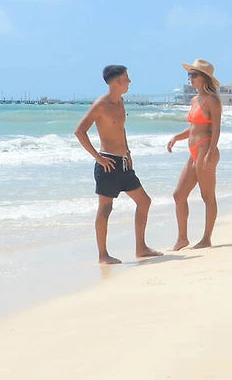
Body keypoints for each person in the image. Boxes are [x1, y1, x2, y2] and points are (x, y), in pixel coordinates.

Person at [74, 64, 160, 263]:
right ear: (117, 81)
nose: (129, 81)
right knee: (105, 209)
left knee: (144, 201)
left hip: (123, 163)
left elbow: (121, 129)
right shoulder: (101, 105)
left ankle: (141, 248)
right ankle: (103, 255)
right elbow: (80, 131)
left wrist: (128, 151)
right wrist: (98, 158)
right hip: (108, 164)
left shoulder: (120, 102)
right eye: (126, 78)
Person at [168, 58, 221, 250]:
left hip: (206, 150)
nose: (190, 78)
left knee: (207, 196)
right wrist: (176, 137)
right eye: (189, 74)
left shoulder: (212, 100)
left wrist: (210, 153)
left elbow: (216, 130)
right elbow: (193, 128)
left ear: (204, 78)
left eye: (193, 75)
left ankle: (206, 239)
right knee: (179, 194)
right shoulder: (194, 99)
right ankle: (182, 238)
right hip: (193, 152)